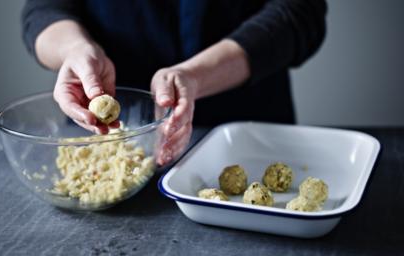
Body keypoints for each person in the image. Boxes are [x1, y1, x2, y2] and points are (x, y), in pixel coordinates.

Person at [22, 0, 327, 166]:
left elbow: (300, 13)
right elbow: (43, 9)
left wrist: (194, 76)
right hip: (104, 145)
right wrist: (74, 50)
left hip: (250, 138)